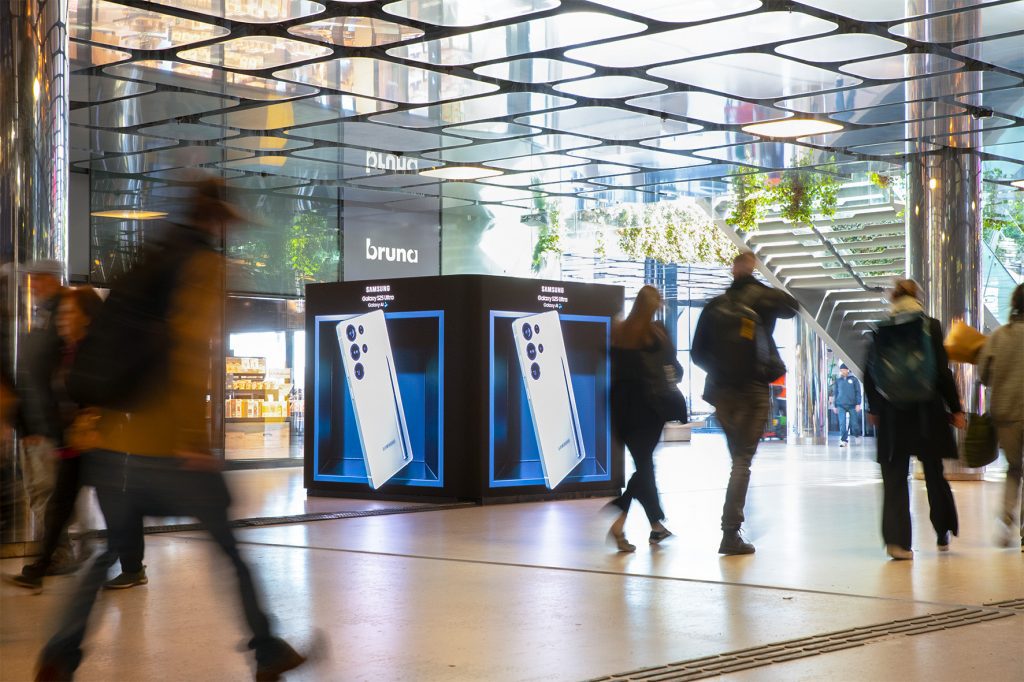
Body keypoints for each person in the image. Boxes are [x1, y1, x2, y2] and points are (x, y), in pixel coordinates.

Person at [35, 179, 309, 681]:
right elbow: (188, 353)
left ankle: (60, 653)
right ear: (220, 219)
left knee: (109, 552)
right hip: (165, 447)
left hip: (113, 441)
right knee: (229, 549)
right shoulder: (203, 265)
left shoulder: (149, 259)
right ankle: (267, 650)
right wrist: (194, 440)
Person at [4, 286, 118, 591]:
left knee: (112, 506)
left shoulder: (96, 352)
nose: (62, 319)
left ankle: (128, 561)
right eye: (62, 313)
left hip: (99, 444)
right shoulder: (67, 351)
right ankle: (40, 567)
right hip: (74, 444)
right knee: (59, 506)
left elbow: (108, 394)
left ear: (87, 318)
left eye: (69, 313)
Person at [692, 251, 798, 555]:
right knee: (742, 461)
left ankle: (734, 521)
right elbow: (792, 308)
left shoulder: (714, 307)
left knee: (737, 459)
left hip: (721, 392)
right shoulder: (764, 298)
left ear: (731, 270)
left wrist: (723, 371)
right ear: (752, 269)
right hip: (752, 389)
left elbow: (698, 353)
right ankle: (730, 532)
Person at [864, 279, 965, 561]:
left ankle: (898, 543)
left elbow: (869, 374)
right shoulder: (929, 326)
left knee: (894, 476)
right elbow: (942, 372)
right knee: (934, 472)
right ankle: (943, 530)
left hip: (892, 413)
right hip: (926, 411)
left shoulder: (880, 328)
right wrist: (956, 408)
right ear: (917, 297)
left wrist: (874, 409)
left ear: (893, 298)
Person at [14, 259, 78, 574]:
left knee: (46, 494)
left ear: (52, 280)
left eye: (37, 280)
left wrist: (45, 425)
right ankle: (63, 551)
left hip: (48, 427)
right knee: (45, 493)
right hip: (38, 424)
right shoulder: (44, 316)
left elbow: (50, 377)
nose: (32, 287)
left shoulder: (60, 316)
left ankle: (59, 555)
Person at [604, 285, 678, 552]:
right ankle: (619, 514)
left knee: (644, 466)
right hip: (647, 408)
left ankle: (655, 526)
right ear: (653, 305)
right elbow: (670, 364)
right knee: (644, 468)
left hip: (621, 407)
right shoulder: (655, 334)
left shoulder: (619, 331)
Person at [977, 283, 1024, 552]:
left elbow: (984, 374)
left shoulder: (998, 336)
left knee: (1014, 468)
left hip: (1005, 414)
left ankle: (1006, 520)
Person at [830, 364, 862, 447]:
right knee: (842, 423)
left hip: (852, 405)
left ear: (847, 370)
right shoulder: (838, 381)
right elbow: (835, 393)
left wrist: (858, 404)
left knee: (854, 423)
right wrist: (835, 405)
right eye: (841, 370)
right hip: (841, 405)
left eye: (843, 370)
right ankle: (844, 441)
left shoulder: (854, 380)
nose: (842, 371)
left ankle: (857, 435)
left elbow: (858, 392)